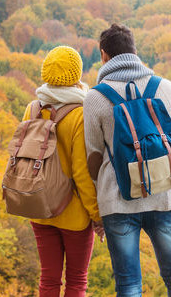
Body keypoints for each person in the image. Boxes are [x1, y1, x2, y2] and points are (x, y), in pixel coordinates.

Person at [84, 24, 171, 297]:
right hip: (165, 195)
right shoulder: (165, 88)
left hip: (118, 201)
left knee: (129, 283)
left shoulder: (96, 98)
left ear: (104, 55)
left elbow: (93, 159)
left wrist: (103, 201)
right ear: (134, 52)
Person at [25, 46, 104, 297]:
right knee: (76, 281)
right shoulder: (81, 113)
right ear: (77, 74)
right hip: (74, 214)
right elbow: (82, 173)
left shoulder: (33, 108)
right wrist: (97, 216)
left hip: (39, 207)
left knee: (48, 280)